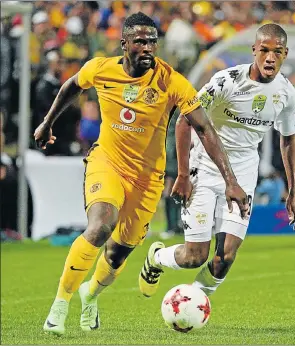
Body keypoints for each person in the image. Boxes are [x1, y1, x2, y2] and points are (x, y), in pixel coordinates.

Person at [34, 12, 248, 336]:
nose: (148, 47)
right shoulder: (101, 69)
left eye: (152, 42)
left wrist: (231, 181)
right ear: (124, 44)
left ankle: (89, 294)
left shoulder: (171, 81)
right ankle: (59, 306)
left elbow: (203, 128)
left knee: (117, 254)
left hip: (147, 180)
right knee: (100, 226)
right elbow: (71, 85)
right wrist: (47, 122)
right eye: (140, 41)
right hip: (108, 162)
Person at [139, 23, 295, 299]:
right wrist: (181, 174)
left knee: (226, 255)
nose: (270, 57)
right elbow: (184, 120)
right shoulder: (226, 82)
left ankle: (192, 302)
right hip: (203, 167)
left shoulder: (286, 94)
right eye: (264, 50)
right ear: (254, 50)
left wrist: (294, 192)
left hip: (243, 173)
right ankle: (157, 258)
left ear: (285, 54)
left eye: (277, 52)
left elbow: (288, 140)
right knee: (195, 256)